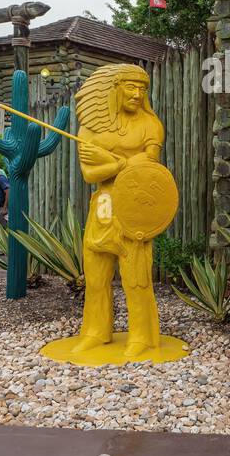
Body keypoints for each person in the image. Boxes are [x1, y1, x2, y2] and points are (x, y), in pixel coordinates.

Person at [69, 64, 167, 359]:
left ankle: (142, 336)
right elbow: (89, 174)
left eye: (143, 89)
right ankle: (96, 332)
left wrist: (110, 162)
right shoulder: (90, 127)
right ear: (114, 89)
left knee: (135, 277)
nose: (138, 94)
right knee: (96, 276)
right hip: (102, 208)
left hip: (135, 207)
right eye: (131, 87)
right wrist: (123, 162)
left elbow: (149, 169)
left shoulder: (151, 125)